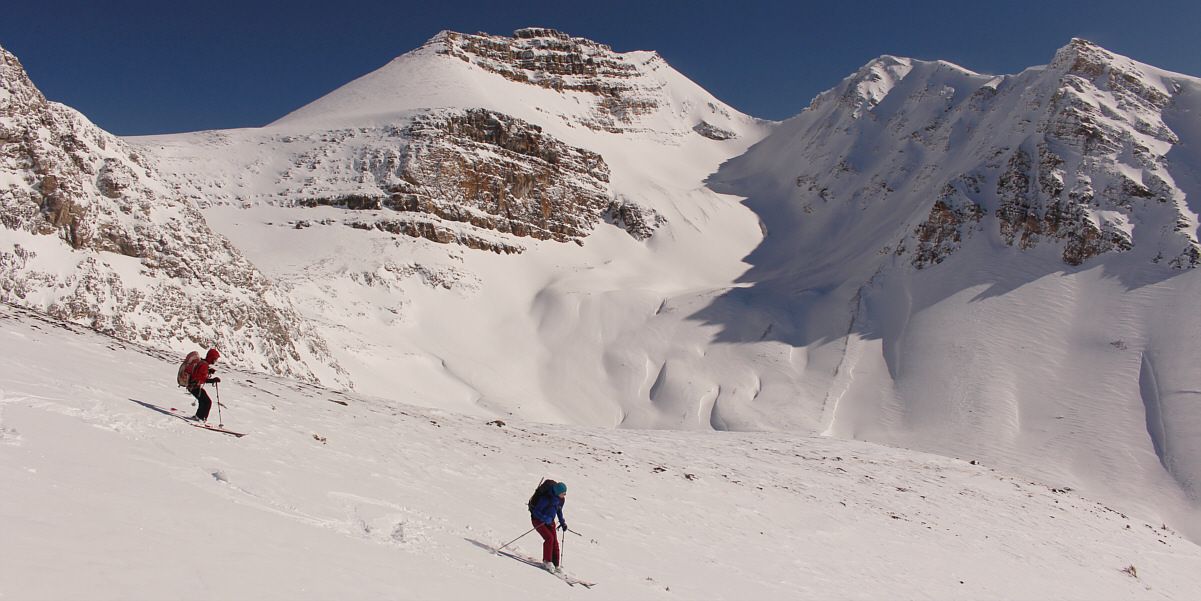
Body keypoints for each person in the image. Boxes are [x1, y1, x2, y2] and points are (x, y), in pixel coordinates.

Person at [529, 481, 568, 572]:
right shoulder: (546, 498)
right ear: (558, 492)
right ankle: (547, 561)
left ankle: (555, 564)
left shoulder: (561, 500)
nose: (565, 494)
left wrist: (562, 523)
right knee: (549, 538)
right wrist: (544, 518)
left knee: (555, 541)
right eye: (563, 492)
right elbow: (536, 511)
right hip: (538, 521)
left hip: (550, 521)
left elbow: (559, 511)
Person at [187, 349, 221, 422]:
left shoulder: (203, 363)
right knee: (207, 402)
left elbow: (199, 373)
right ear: (212, 358)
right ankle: (200, 418)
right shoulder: (204, 365)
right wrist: (212, 380)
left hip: (192, 386)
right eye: (215, 359)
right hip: (194, 386)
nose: (216, 361)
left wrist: (208, 371)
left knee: (203, 401)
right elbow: (200, 378)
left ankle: (199, 417)